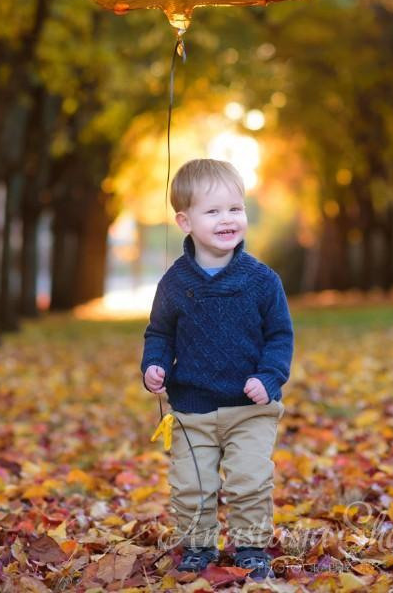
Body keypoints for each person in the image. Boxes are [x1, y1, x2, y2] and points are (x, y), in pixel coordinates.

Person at [141, 157, 293, 579]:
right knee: (192, 485)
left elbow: (280, 337)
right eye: (213, 211)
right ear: (185, 221)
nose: (227, 219)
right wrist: (154, 365)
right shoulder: (175, 283)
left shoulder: (262, 281)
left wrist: (269, 377)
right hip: (192, 408)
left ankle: (251, 547)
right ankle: (198, 546)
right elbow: (160, 333)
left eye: (235, 208)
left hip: (251, 408)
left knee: (250, 481)